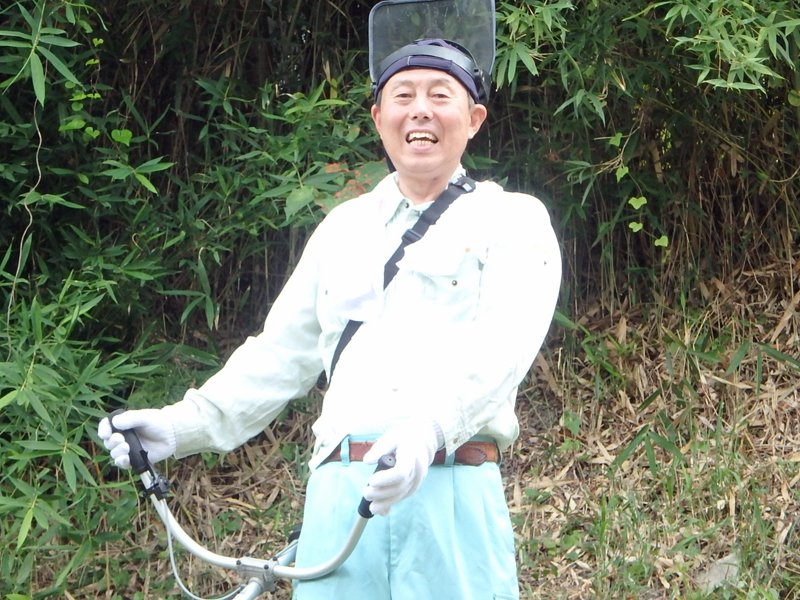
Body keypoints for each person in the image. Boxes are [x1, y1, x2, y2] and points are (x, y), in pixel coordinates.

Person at [98, 31, 561, 600]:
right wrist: (179, 426)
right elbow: (280, 354)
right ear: (379, 118)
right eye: (403, 96)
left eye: (441, 95)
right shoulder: (344, 227)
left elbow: (503, 348)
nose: (420, 110)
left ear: (474, 119)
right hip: (339, 496)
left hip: (450, 487)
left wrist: (430, 431)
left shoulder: (512, 218)